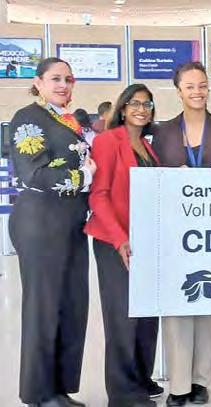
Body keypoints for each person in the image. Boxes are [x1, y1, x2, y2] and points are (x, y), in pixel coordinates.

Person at [8, 57, 96, 407]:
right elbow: (33, 173)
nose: (63, 85)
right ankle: (39, 393)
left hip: (71, 222)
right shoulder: (28, 118)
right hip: (41, 222)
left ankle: (59, 388)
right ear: (39, 82)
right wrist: (84, 177)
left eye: (69, 79)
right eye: (56, 79)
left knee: (70, 306)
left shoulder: (66, 119)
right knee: (44, 308)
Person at [152, 62, 211, 406]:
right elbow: (156, 178)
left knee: (210, 304)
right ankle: (179, 383)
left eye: (202, 85)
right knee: (177, 306)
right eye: (190, 86)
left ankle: (201, 380)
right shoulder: (163, 132)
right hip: (176, 231)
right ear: (178, 91)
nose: (197, 92)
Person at [84, 84, 161, 407]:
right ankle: (123, 393)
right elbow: (99, 195)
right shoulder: (107, 141)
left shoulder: (146, 146)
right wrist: (120, 239)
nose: (141, 109)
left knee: (147, 316)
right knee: (122, 318)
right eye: (135, 103)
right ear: (123, 108)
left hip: (146, 242)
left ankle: (141, 378)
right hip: (115, 241)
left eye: (147, 104)